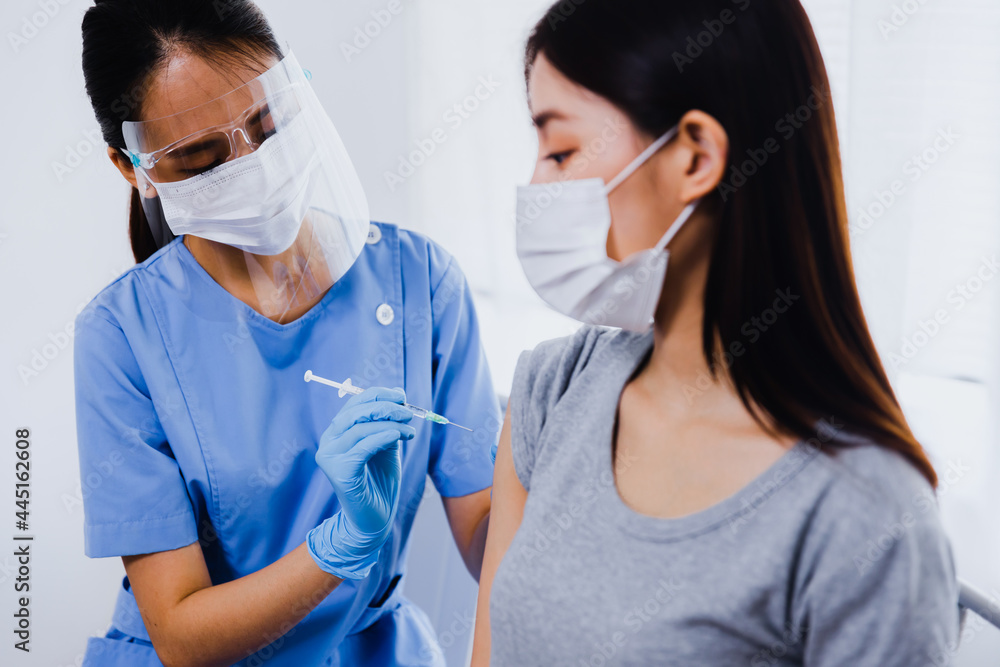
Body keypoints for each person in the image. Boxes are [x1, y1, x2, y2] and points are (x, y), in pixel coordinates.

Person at [473, 0, 960, 665]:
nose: (536, 186)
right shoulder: (555, 389)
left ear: (696, 155)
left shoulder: (864, 515)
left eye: (560, 150)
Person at [74, 1, 499, 666]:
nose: (254, 164)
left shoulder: (420, 279)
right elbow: (181, 633)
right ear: (133, 167)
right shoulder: (122, 336)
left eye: (269, 124)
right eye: (202, 157)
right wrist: (338, 547)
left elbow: (489, 534)